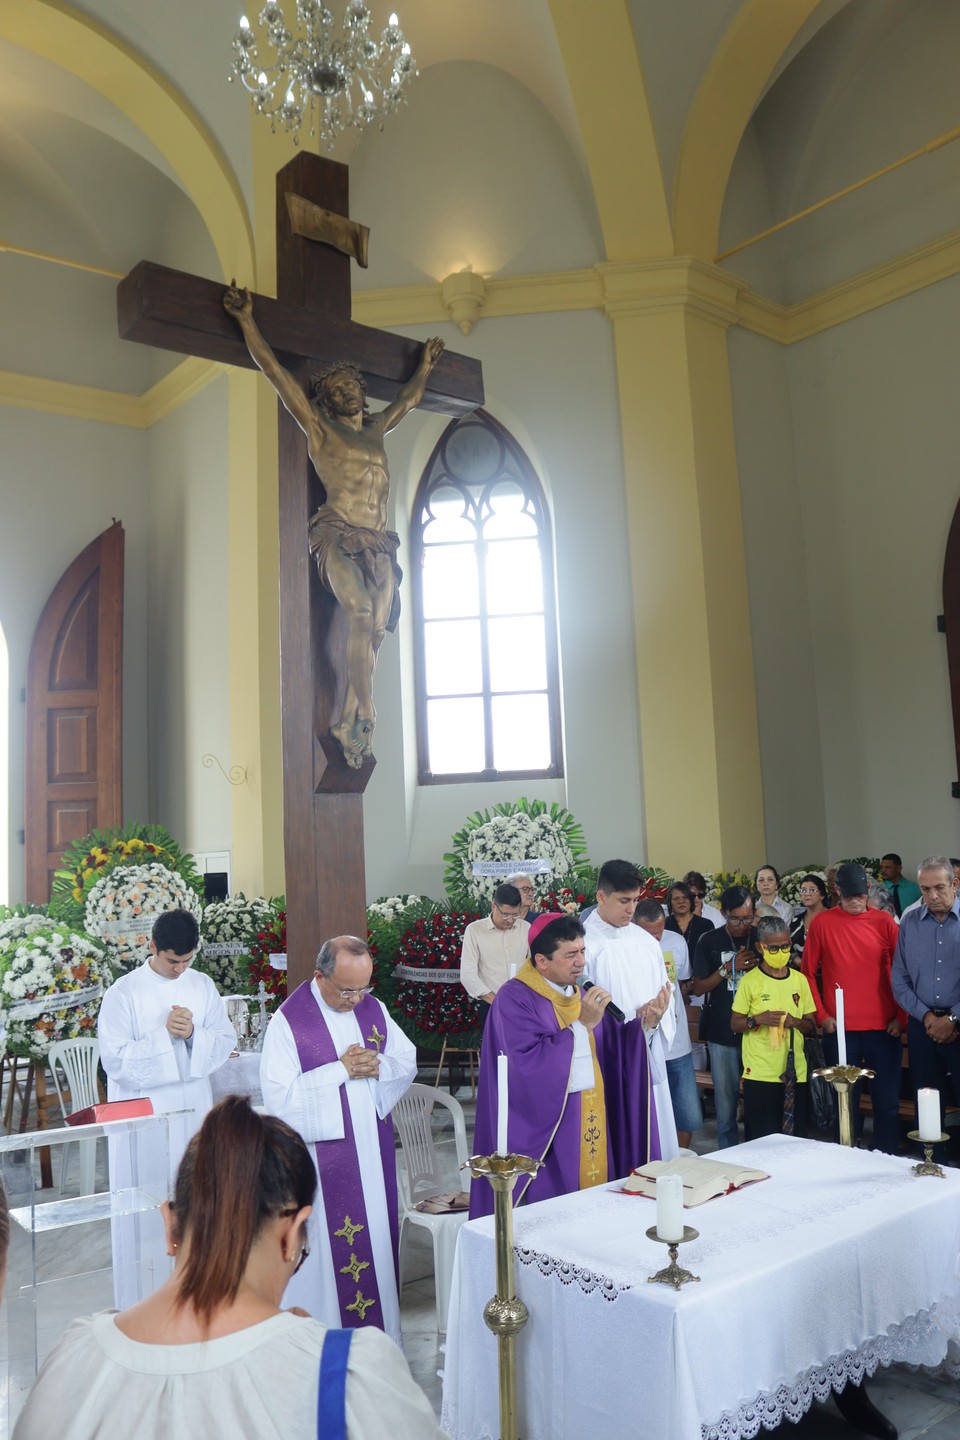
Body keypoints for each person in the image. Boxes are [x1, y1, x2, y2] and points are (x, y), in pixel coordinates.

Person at [12, 1098, 446, 1440]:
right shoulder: (346, 1373)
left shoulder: (74, 1358)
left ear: (169, 1224)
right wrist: (308, 1346)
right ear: (291, 1234)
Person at [223, 282, 444, 769]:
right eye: (337, 390)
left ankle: (347, 719)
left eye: (352, 388)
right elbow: (276, 373)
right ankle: (366, 707)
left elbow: (408, 401)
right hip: (337, 532)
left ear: (362, 397)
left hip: (381, 544)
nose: (346, 393)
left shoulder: (375, 428)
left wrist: (425, 366)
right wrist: (246, 322)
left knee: (379, 631)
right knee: (360, 614)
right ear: (324, 401)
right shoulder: (320, 430)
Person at [259, 936, 416, 1346]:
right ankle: (324, 1344)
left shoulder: (372, 1008)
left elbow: (406, 1059)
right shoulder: (289, 1022)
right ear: (319, 976)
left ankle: (380, 1344)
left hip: (371, 1151)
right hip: (322, 1163)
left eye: (364, 987)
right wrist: (339, 1070)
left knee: (377, 1246)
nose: (356, 999)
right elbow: (280, 1102)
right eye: (347, 990)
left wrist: (377, 1064)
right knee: (330, 1263)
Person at [98, 908, 237, 1308]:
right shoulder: (123, 993)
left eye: (187, 960)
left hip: (193, 1110)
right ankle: (142, 1304)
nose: (180, 969)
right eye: (173, 960)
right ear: (152, 946)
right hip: (145, 1115)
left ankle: (200, 1298)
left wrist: (193, 1034)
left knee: (198, 1201)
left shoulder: (202, 985)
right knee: (147, 1205)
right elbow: (116, 1061)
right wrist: (165, 1036)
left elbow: (223, 1039)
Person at [469, 913, 628, 1217]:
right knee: (558, 1216)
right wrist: (581, 1027)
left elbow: (609, 1048)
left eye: (582, 951)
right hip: (551, 1129)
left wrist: (644, 1027)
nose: (581, 962)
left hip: (592, 1118)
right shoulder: (514, 998)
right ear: (542, 961)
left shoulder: (582, 993)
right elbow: (524, 1066)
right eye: (570, 955)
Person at [801, 862, 904, 1154]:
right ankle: (846, 1159)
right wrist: (821, 1015)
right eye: (848, 897)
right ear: (836, 891)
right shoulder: (822, 923)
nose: (855, 902)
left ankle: (887, 1159)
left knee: (886, 1104)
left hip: (884, 1028)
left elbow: (902, 972)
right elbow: (808, 972)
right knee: (845, 1104)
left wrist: (901, 1017)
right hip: (841, 1030)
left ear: (869, 890)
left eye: (860, 895)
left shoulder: (885, 923)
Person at [583, 860, 676, 1162]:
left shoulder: (646, 941)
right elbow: (581, 1004)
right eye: (624, 901)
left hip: (646, 1046)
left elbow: (666, 991)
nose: (631, 909)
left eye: (635, 900)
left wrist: (656, 1012)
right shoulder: (585, 944)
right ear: (601, 897)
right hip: (607, 1051)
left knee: (652, 1127)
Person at [891, 855, 960, 1152]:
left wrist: (953, 1018)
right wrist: (927, 1017)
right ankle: (934, 1165)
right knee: (927, 1101)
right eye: (925, 889)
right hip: (923, 1026)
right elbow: (899, 979)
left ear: (955, 884)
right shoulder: (910, 922)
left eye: (940, 887)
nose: (932, 896)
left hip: (959, 1025)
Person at [730, 918, 817, 1139]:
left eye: (786, 946)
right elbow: (735, 1023)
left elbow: (811, 1026)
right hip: (761, 1073)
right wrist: (757, 1019)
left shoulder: (800, 980)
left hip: (794, 1071)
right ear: (761, 947)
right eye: (774, 948)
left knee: (794, 1138)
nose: (781, 952)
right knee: (761, 1138)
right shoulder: (751, 981)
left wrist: (794, 1022)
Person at [691, 886, 758, 1149]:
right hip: (722, 1030)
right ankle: (729, 1154)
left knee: (756, 1098)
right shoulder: (709, 940)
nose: (743, 925)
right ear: (723, 913)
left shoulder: (759, 936)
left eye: (748, 917)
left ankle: (756, 1150)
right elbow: (698, 987)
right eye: (736, 918)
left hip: (757, 1030)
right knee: (726, 1101)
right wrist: (728, 968)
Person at [634, 898, 702, 1148]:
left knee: (687, 1111)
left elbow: (683, 984)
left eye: (659, 932)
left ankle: (682, 1157)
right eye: (649, 934)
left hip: (677, 1042)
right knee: (651, 1110)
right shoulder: (626, 949)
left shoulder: (676, 941)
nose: (656, 939)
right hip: (645, 1042)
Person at [458, 883, 530, 1020]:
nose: (510, 920)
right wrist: (497, 1001)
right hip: (490, 1004)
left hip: (523, 1004)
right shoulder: (475, 930)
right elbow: (468, 975)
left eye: (515, 915)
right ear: (493, 907)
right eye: (505, 914)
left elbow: (535, 966)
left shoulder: (526, 928)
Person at [665, 882, 713, 959]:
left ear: (691, 899)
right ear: (670, 902)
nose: (681, 901)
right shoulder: (664, 925)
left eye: (685, 897)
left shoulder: (706, 925)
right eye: (676, 898)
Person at [789, 874, 828, 959]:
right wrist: (795, 959)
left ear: (822, 895)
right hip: (799, 970)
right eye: (803, 890)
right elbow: (788, 948)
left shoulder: (832, 919)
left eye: (812, 890)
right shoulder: (796, 921)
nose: (807, 894)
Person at [881, 853, 922, 918]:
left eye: (887, 867)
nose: (883, 870)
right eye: (882, 867)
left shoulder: (915, 888)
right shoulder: (879, 889)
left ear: (899, 868)